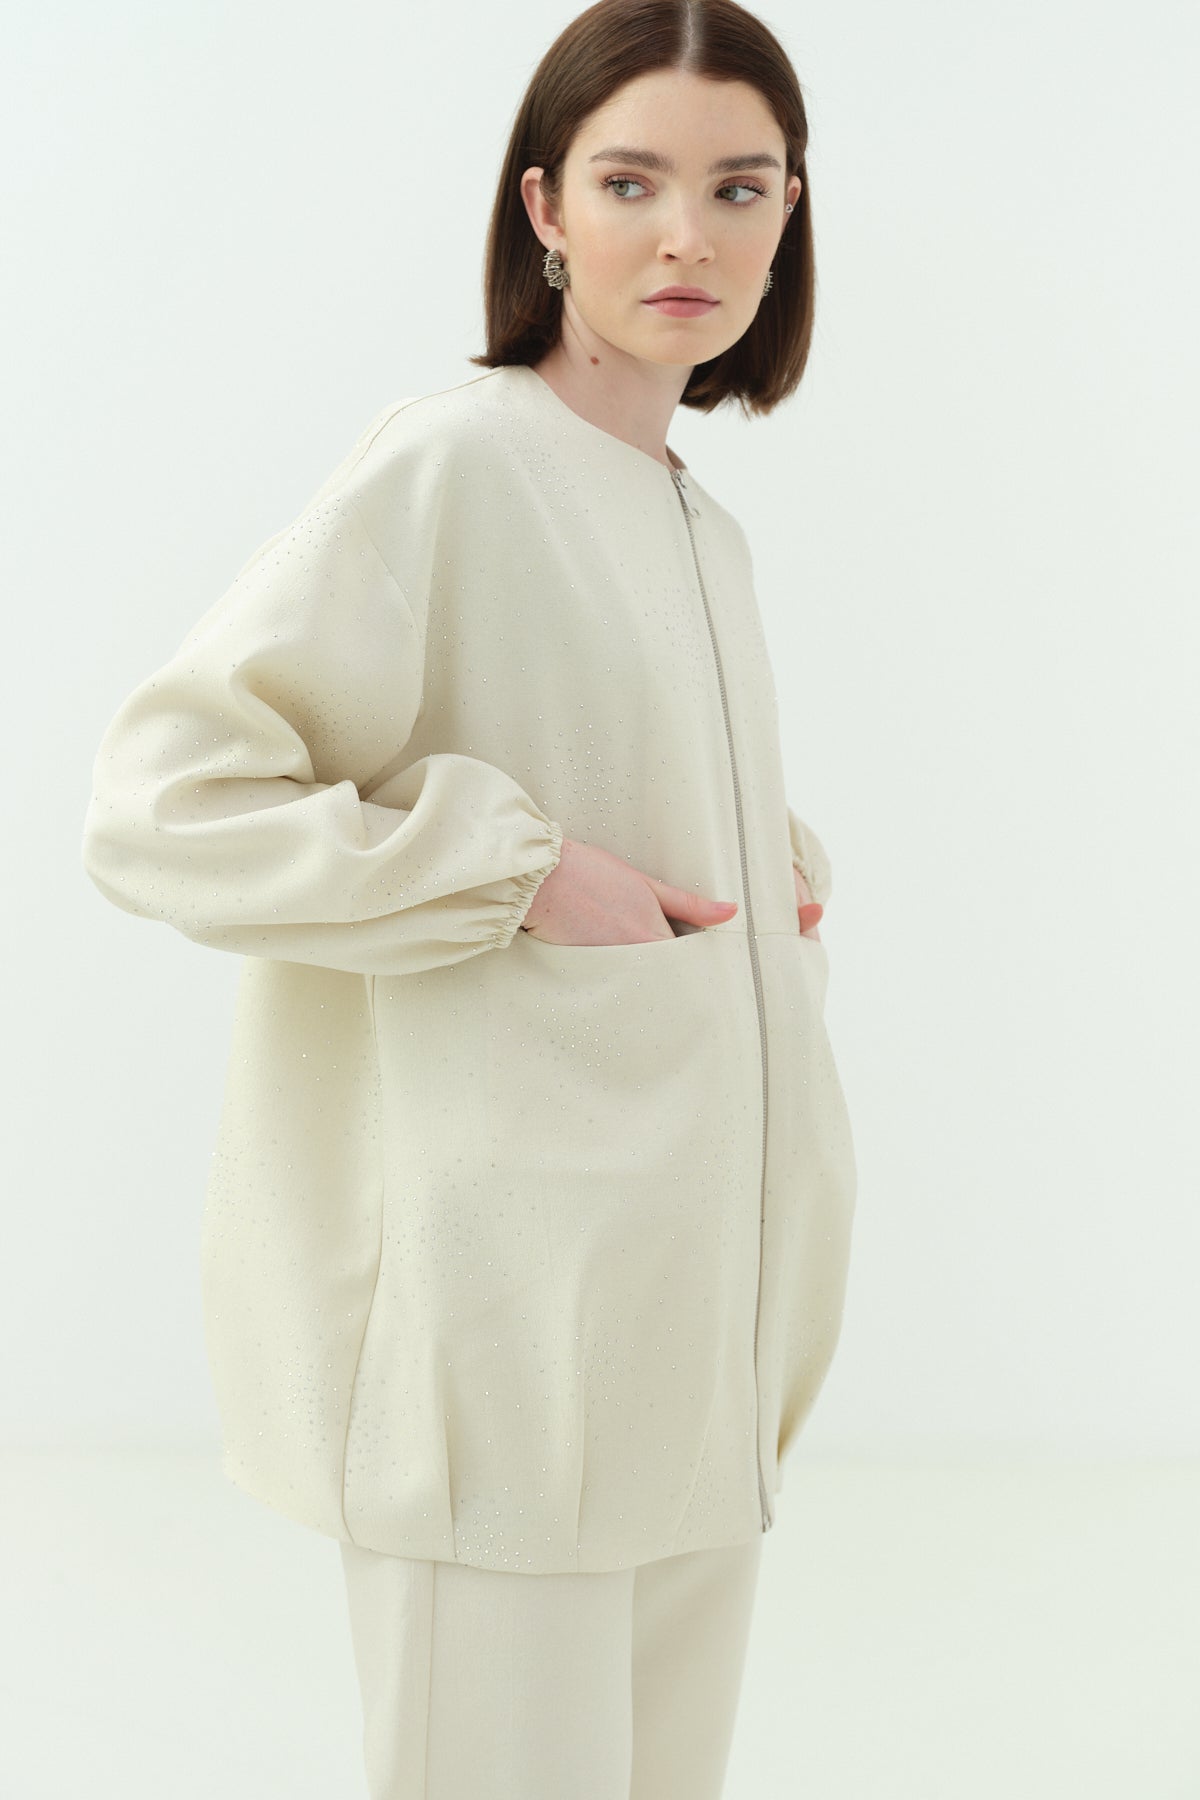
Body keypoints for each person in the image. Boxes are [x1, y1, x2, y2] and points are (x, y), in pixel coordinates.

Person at [80, 1, 858, 1793]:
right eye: (630, 182)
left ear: (789, 216)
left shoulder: (696, 522)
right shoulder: (458, 462)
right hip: (498, 1372)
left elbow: (596, 749)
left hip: (693, 1369)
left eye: (739, 188)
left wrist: (760, 861)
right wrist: (511, 873)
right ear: (544, 209)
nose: (689, 235)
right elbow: (164, 801)